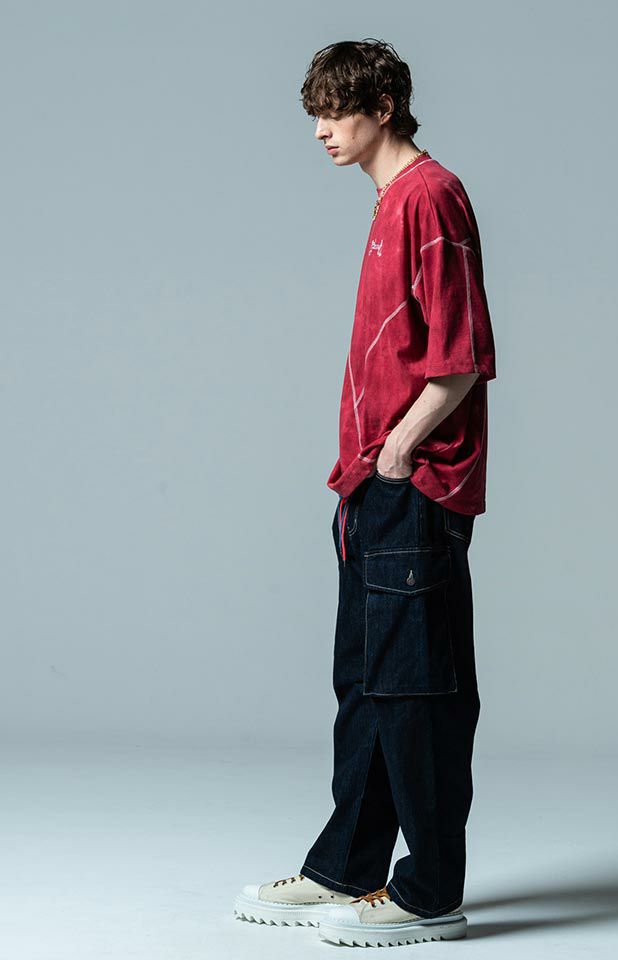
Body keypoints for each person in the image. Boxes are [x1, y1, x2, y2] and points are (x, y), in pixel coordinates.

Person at [234, 37, 497, 948]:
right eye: (315, 112)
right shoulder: (392, 200)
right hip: (370, 486)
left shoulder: (429, 195)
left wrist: (398, 452)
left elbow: (461, 359)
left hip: (413, 481)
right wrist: (368, 470)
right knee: (365, 684)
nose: (321, 129)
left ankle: (429, 892)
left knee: (416, 690)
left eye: (336, 111)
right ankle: (346, 865)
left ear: (383, 107)